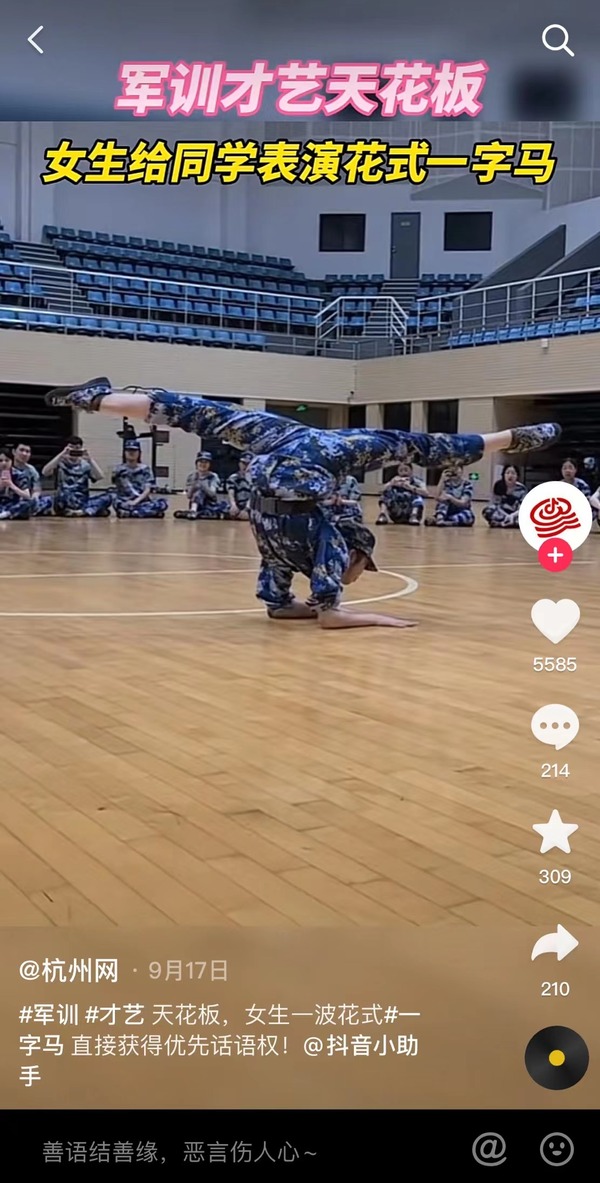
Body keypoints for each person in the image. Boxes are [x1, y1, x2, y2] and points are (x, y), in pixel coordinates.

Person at [45, 377, 561, 629]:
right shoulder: (332, 533)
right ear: (356, 552)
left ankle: (98, 398)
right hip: (291, 482)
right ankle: (513, 437)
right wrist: (376, 618)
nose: (356, 574)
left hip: (272, 482)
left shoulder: (290, 541)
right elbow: (327, 616)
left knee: (202, 413)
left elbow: (281, 611)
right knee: (420, 446)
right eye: (359, 567)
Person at [42, 435, 112, 517]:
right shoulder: (59, 463)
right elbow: (45, 472)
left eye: (77, 448)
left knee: (108, 497)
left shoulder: (85, 465)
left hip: (82, 501)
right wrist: (62, 454)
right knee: (46, 498)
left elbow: (99, 476)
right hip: (64, 500)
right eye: (71, 448)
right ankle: (89, 511)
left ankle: (80, 512)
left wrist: (90, 459)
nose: (74, 450)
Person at [112, 439, 168, 518]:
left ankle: (132, 513)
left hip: (141, 501)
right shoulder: (118, 470)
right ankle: (147, 513)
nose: (131, 453)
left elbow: (147, 489)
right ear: (124, 452)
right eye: (129, 450)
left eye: (134, 450)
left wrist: (135, 501)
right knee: (116, 502)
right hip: (125, 501)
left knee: (163, 503)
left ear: (139, 453)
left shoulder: (145, 469)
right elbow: (116, 487)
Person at [175, 451, 230, 520]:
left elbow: (212, 494)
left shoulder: (213, 476)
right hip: (195, 505)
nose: (203, 464)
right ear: (197, 463)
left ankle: (195, 512)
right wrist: (193, 486)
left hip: (209, 504)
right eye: (201, 462)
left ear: (209, 464)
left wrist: (203, 485)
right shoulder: (191, 476)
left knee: (200, 491)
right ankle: (194, 511)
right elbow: (189, 496)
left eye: (206, 462)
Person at [376, 461, 427, 525]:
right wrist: (391, 484)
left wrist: (411, 488)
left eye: (406, 470)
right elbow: (380, 491)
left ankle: (414, 516)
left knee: (418, 495)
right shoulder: (395, 480)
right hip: (396, 512)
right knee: (386, 493)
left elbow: (425, 493)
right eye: (401, 470)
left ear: (411, 471)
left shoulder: (417, 481)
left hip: (411, 510)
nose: (403, 473)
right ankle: (382, 514)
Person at [426, 462, 475, 527]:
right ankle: (440, 519)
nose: (454, 472)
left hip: (461, 510)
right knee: (443, 501)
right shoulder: (447, 483)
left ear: (462, 471)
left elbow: (463, 503)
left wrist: (450, 498)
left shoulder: (467, 484)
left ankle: (445, 521)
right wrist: (442, 479)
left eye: (456, 469)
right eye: (451, 469)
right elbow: (437, 497)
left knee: (468, 516)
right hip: (448, 511)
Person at [11, 442, 53, 516]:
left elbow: (37, 489)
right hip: (11, 499)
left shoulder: (31, 470)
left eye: (27, 451)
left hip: (27, 499)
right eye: (21, 450)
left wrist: (34, 497)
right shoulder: (6, 467)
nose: (24, 454)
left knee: (49, 500)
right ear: (14, 452)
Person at [0, 446, 35, 519]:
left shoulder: (19, 475)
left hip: (13, 504)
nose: (4, 463)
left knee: (29, 503)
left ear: (11, 461)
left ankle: (7, 514)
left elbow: (27, 496)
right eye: (0, 461)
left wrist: (11, 485)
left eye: (7, 460)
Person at [226, 453, 252, 520]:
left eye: (248, 464)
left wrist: (247, 509)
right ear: (239, 464)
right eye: (243, 463)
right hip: (237, 506)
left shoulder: (255, 479)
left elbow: (254, 495)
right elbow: (231, 493)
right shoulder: (233, 477)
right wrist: (233, 505)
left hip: (250, 507)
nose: (245, 466)